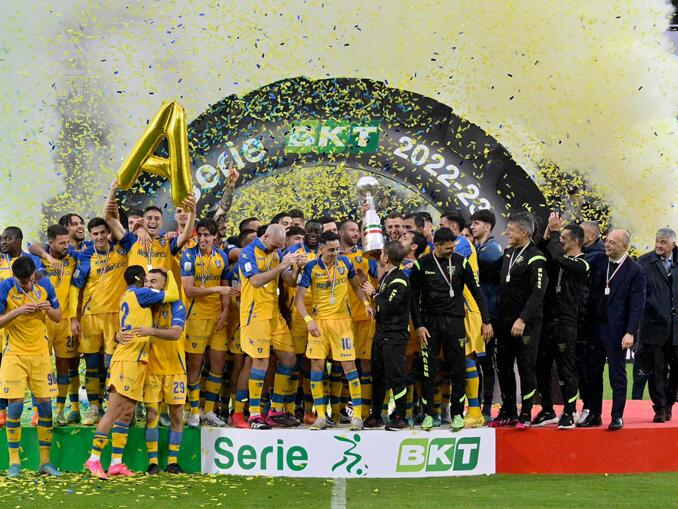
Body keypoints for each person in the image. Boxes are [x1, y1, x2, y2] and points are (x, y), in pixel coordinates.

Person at [84, 265, 179, 479]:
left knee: (126, 414)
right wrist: (171, 272)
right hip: (127, 360)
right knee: (114, 411)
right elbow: (173, 293)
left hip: (137, 361)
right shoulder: (139, 293)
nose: (148, 282)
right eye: (146, 278)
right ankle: (94, 458)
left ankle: (116, 463)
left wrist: (118, 335)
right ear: (140, 279)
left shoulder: (128, 296)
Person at [409, 228, 492, 431]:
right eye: (448, 248)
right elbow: (413, 298)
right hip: (430, 324)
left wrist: (486, 320)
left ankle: (457, 414)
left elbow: (477, 292)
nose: (451, 251)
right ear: (436, 245)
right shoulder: (422, 264)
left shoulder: (461, 262)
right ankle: (429, 415)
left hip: (455, 322)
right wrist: (418, 325)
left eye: (453, 247)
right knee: (429, 370)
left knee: (458, 369)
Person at [295, 231, 375, 430]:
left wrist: (365, 302)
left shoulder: (345, 264)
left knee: (349, 367)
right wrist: (308, 321)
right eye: (331, 250)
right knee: (317, 367)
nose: (335, 253)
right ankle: (321, 416)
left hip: (342, 323)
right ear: (321, 249)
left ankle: (357, 416)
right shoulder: (311, 268)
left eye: (337, 249)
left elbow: (356, 287)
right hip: (319, 323)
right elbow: (299, 300)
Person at [0, 256, 61, 477]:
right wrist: (17, 311)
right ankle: (14, 462)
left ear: (34, 274)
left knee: (45, 407)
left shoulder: (45, 285)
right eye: (21, 281)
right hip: (14, 355)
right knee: (15, 406)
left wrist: (47, 309)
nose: (26, 284)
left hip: (41, 355)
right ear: (14, 276)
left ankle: (45, 462)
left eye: (29, 279)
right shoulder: (5, 287)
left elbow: (58, 316)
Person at [580, 229, 646, 430]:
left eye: (612, 243)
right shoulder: (599, 261)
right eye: (607, 241)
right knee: (593, 372)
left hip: (617, 330)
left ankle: (617, 415)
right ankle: (594, 413)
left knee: (617, 373)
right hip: (594, 327)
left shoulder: (635, 270)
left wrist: (631, 332)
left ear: (625, 247)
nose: (607, 245)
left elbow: (637, 305)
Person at [239, 224, 303, 429]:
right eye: (275, 246)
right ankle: (255, 414)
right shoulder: (247, 253)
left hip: (274, 315)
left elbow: (290, 282)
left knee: (289, 358)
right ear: (265, 236)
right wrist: (282, 264)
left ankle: (275, 410)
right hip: (254, 314)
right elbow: (256, 281)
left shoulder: (276, 254)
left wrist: (296, 268)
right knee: (260, 362)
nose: (277, 250)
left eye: (279, 247)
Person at [490, 212, 548, 429]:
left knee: (525, 367)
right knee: (503, 366)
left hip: (527, 324)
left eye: (511, 230)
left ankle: (525, 412)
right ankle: (508, 410)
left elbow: (538, 292)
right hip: (504, 322)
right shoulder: (508, 253)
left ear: (524, 232)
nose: (507, 234)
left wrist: (523, 319)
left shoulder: (536, 257)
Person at [70, 218, 130, 425]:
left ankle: (116, 409)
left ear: (108, 232)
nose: (99, 237)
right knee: (93, 364)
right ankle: (95, 409)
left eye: (103, 232)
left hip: (116, 318)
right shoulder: (85, 256)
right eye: (95, 234)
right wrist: (73, 318)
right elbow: (74, 288)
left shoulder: (122, 251)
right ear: (90, 236)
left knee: (114, 366)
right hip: (91, 317)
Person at [534, 216, 589, 429]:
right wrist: (548, 235)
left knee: (566, 368)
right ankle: (547, 410)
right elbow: (539, 252)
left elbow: (558, 257)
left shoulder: (583, 263)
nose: (561, 242)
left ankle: (569, 411)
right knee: (542, 366)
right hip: (548, 319)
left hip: (567, 321)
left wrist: (555, 234)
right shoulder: (558, 256)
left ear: (575, 241)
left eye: (564, 239)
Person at [180, 218, 237, 427]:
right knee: (194, 365)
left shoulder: (221, 256)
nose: (203, 239)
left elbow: (226, 288)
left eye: (207, 235)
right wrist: (216, 290)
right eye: (200, 234)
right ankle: (193, 410)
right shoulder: (189, 256)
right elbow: (188, 289)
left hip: (217, 318)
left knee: (218, 365)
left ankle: (209, 411)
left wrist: (225, 310)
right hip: (195, 317)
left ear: (214, 237)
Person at [142, 269, 187, 474]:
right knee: (152, 415)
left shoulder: (177, 305)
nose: (148, 285)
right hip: (151, 369)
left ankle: (172, 461)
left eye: (153, 281)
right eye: (146, 281)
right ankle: (153, 462)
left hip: (175, 369)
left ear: (164, 285)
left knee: (177, 415)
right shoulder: (142, 305)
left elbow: (176, 333)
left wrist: (151, 331)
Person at [362, 241, 411, 430]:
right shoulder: (387, 277)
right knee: (378, 376)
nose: (379, 257)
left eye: (381, 253)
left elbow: (389, 305)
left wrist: (373, 293)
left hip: (395, 337)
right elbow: (383, 307)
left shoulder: (399, 280)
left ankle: (401, 417)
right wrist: (375, 310)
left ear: (386, 258)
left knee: (396, 377)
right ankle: (376, 416)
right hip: (381, 334)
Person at [0, 226, 44, 427]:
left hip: (28, 324)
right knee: (3, 367)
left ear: (18, 240)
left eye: (7, 238)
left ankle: (36, 411)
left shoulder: (32, 260)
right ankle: (2, 412)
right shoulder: (0, 260)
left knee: (35, 369)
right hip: (5, 320)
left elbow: (42, 279)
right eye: (2, 238)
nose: (2, 242)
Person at [40, 225, 81, 426]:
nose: (66, 246)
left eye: (67, 242)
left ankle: (60, 411)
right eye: (62, 243)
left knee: (64, 367)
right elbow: (33, 247)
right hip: (43, 322)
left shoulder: (73, 259)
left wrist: (74, 318)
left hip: (65, 322)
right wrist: (48, 258)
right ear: (51, 243)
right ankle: (42, 409)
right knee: (43, 368)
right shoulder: (38, 259)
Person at [636, 227, 677, 422]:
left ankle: (669, 403)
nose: (659, 246)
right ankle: (660, 408)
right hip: (653, 328)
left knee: (675, 370)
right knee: (656, 370)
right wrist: (654, 310)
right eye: (657, 241)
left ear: (673, 245)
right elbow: (639, 293)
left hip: (676, 329)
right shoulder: (644, 262)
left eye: (663, 242)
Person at [339, 219, 378, 420]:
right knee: (342, 364)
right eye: (352, 229)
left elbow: (379, 276)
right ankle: (339, 410)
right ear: (341, 232)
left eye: (358, 230)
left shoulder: (366, 256)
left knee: (365, 365)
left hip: (364, 317)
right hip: (341, 319)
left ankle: (363, 410)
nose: (356, 233)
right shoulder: (331, 256)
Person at [284, 220, 322, 424]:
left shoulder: (326, 253)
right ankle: (289, 409)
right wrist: (297, 268)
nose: (313, 235)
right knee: (295, 362)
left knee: (312, 363)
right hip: (298, 315)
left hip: (319, 316)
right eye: (310, 231)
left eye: (317, 231)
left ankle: (309, 410)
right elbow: (288, 280)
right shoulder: (293, 251)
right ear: (304, 232)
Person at [470, 209, 503, 420]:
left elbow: (483, 264)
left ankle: (487, 407)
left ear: (488, 227)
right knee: (475, 362)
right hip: (474, 315)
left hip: (489, 316)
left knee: (486, 362)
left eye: (477, 223)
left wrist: (487, 319)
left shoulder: (492, 249)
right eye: (472, 223)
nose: (473, 226)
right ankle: (475, 405)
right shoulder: (478, 248)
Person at [577, 220, 607, 423]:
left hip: (591, 324)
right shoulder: (592, 256)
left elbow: (590, 294)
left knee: (591, 369)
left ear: (589, 237)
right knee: (585, 368)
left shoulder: (594, 258)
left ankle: (592, 411)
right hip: (586, 321)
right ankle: (589, 410)